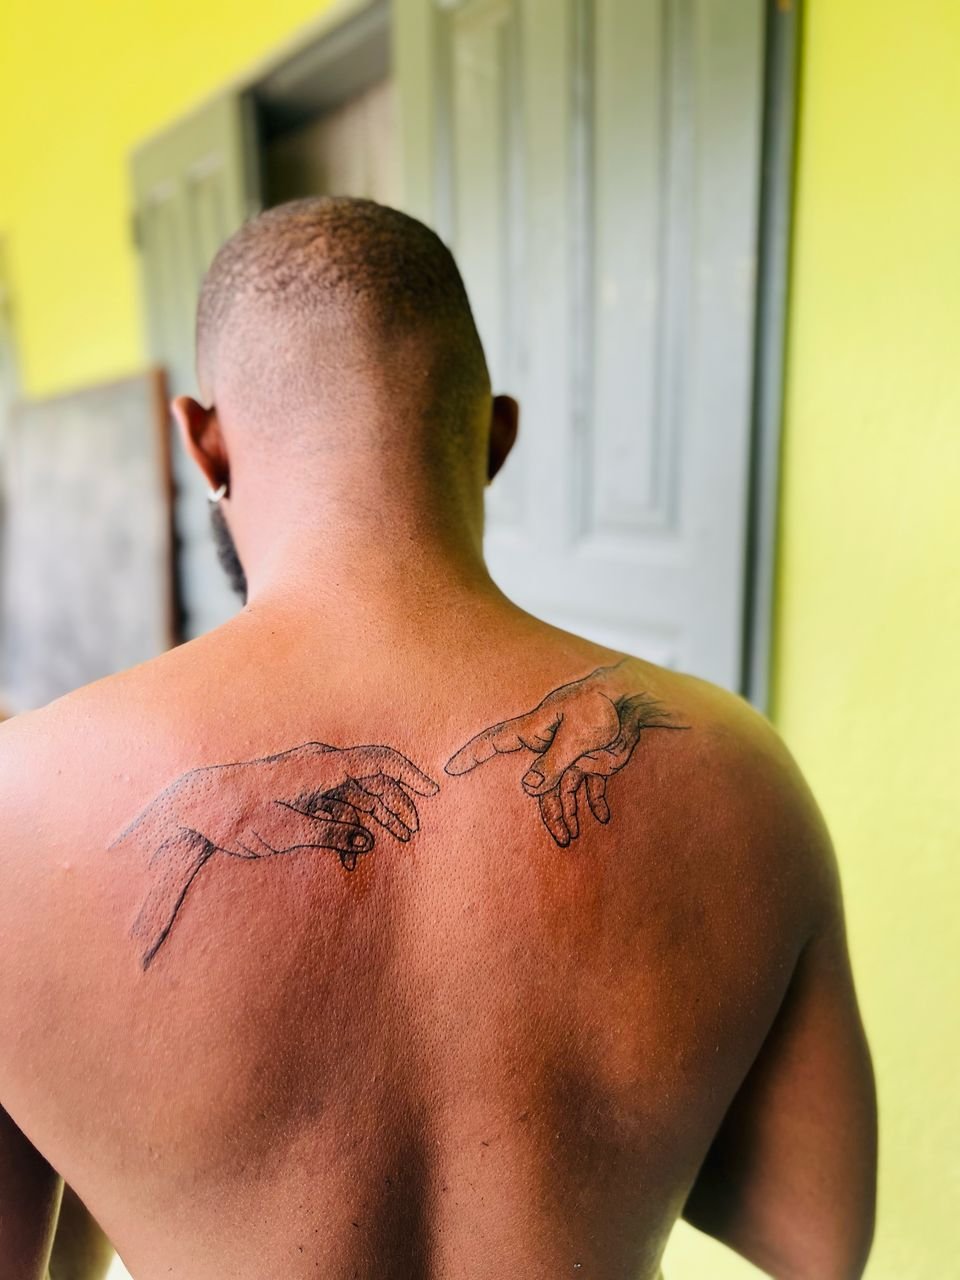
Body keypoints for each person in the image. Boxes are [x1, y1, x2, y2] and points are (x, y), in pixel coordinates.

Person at [0, 198, 876, 1280]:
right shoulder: (741, 772)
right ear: (494, 437)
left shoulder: (22, 809)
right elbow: (817, 1240)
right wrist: (623, 1098)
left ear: (202, 439)